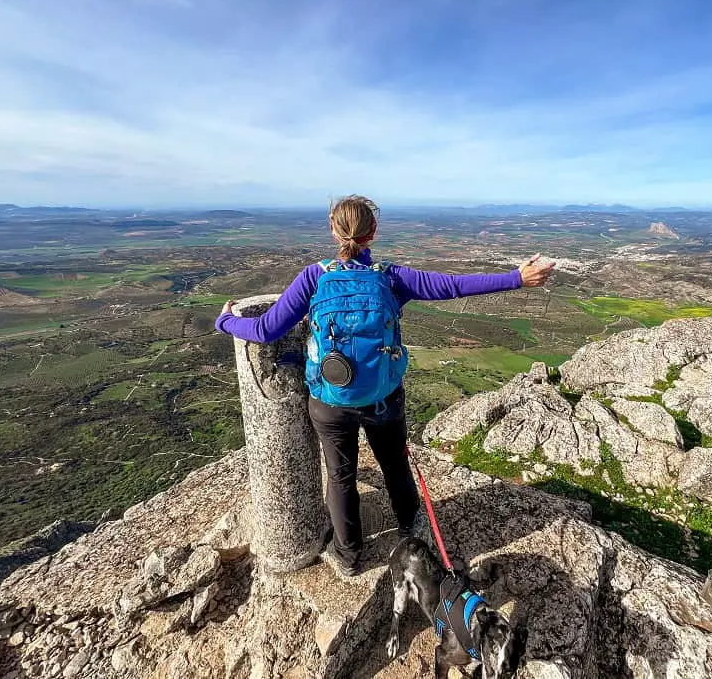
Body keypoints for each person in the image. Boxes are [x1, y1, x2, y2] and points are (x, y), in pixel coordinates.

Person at [215, 195, 555, 576]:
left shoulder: (314, 278)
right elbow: (454, 287)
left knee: (340, 475)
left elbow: (264, 329)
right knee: (394, 463)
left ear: (333, 229)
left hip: (329, 400)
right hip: (383, 397)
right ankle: (410, 527)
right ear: (372, 232)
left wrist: (226, 322)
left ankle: (347, 556)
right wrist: (517, 278)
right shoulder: (391, 278)